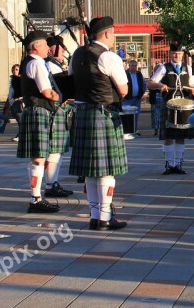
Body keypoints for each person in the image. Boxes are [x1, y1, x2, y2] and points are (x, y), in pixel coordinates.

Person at [69, 16, 129, 230]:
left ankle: (95, 216)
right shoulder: (109, 56)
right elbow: (123, 90)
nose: (114, 37)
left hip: (83, 112)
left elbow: (70, 80)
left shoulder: (76, 54)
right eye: (113, 33)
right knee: (106, 171)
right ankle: (105, 217)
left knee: (91, 171)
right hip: (104, 114)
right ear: (105, 34)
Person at [16, 30, 61, 213]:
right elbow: (47, 92)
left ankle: (36, 197)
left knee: (37, 158)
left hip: (34, 111)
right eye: (44, 44)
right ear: (36, 46)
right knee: (39, 158)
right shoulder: (36, 63)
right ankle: (35, 199)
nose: (48, 48)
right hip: (39, 111)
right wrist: (60, 97)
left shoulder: (30, 62)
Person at [147, 42, 194, 175]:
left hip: (184, 106)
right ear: (170, 54)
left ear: (182, 54)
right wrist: (160, 86)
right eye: (174, 53)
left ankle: (178, 163)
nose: (177, 56)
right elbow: (150, 83)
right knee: (168, 136)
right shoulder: (163, 68)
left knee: (181, 136)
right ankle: (169, 164)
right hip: (168, 105)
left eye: (179, 53)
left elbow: (192, 85)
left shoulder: (188, 68)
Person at [41, 35, 74, 199]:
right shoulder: (51, 66)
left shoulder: (53, 65)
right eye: (60, 47)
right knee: (55, 149)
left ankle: (52, 182)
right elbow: (61, 89)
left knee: (58, 150)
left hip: (60, 110)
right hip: (57, 110)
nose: (62, 51)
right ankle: (50, 184)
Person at [122, 60, 147, 139]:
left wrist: (141, 93)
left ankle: (134, 131)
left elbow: (143, 84)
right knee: (126, 115)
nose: (133, 67)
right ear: (129, 66)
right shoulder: (125, 74)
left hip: (137, 98)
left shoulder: (139, 74)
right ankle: (126, 131)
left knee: (136, 115)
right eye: (132, 65)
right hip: (127, 98)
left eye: (135, 65)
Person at [8, 64, 23, 141]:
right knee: (21, 119)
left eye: (16, 69)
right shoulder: (13, 83)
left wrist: (21, 98)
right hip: (16, 106)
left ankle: (20, 135)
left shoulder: (24, 81)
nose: (14, 71)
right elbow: (10, 98)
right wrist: (14, 101)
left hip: (24, 105)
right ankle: (20, 136)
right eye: (13, 70)